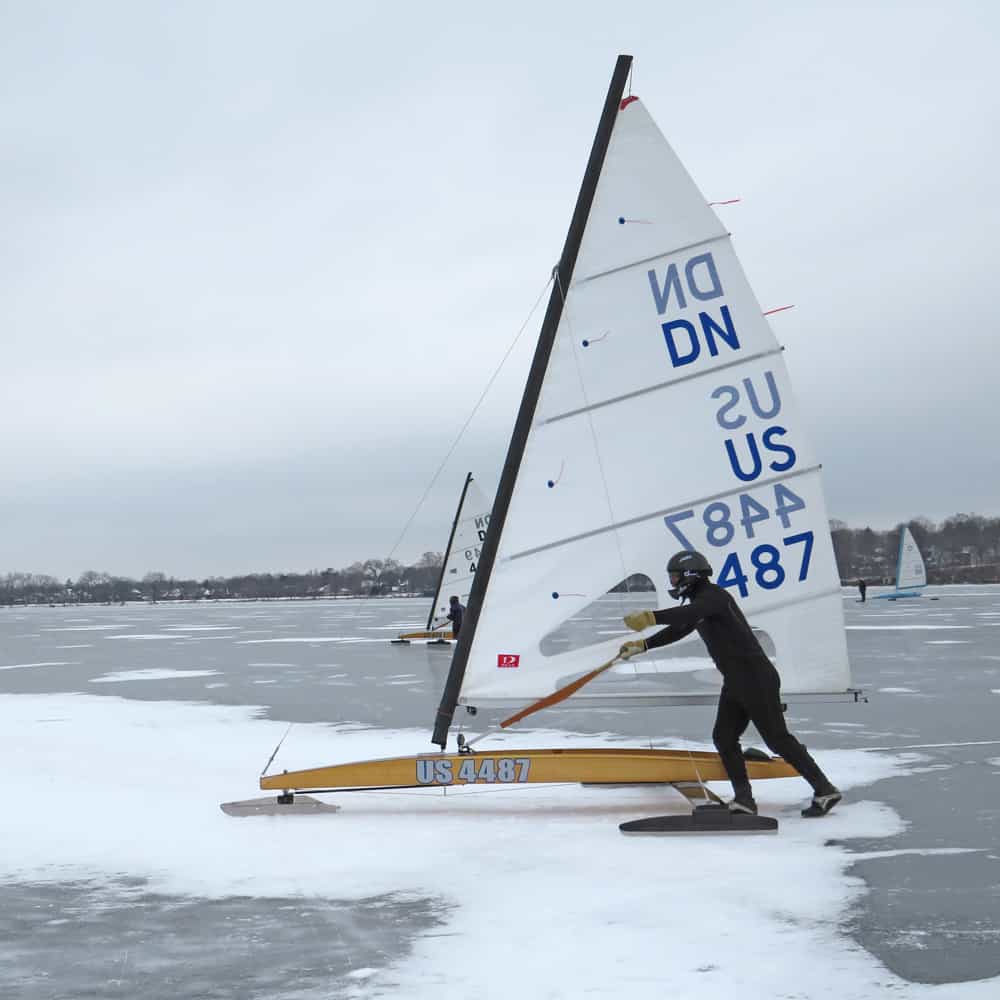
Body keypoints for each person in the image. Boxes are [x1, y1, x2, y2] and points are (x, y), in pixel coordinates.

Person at [619, 550, 842, 818]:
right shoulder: (700, 603)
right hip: (737, 680)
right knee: (724, 738)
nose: (673, 582)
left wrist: (651, 617)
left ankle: (824, 788)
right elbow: (680, 627)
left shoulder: (714, 597)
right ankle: (744, 800)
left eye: (675, 576)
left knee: (777, 739)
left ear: (691, 575)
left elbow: (694, 612)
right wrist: (644, 644)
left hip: (755, 677)